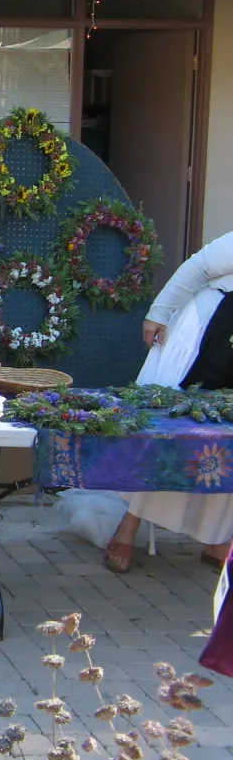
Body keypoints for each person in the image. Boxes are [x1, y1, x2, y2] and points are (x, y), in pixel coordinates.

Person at [104, 230, 233, 573]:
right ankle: (128, 527)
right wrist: (160, 311)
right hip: (212, 332)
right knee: (174, 435)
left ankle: (218, 539)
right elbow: (199, 267)